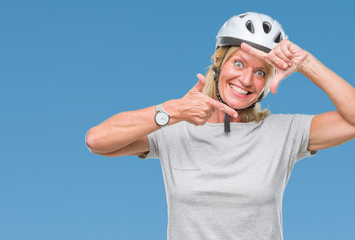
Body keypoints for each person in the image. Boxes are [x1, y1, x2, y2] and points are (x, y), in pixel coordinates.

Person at [86, 12, 355, 240]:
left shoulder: (286, 132)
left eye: (261, 71)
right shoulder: (174, 128)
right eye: (238, 63)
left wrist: (306, 64)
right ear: (218, 64)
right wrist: (173, 110)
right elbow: (97, 140)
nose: (247, 79)